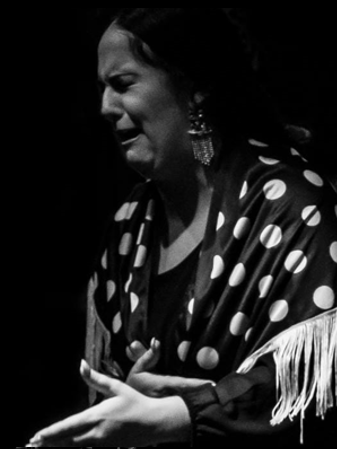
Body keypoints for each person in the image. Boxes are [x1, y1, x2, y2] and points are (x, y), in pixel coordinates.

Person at [27, 8, 337, 447]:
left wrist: (182, 415)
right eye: (101, 89)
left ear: (194, 89)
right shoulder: (130, 225)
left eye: (122, 84)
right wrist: (132, 397)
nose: (105, 108)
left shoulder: (291, 206)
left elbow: (319, 381)